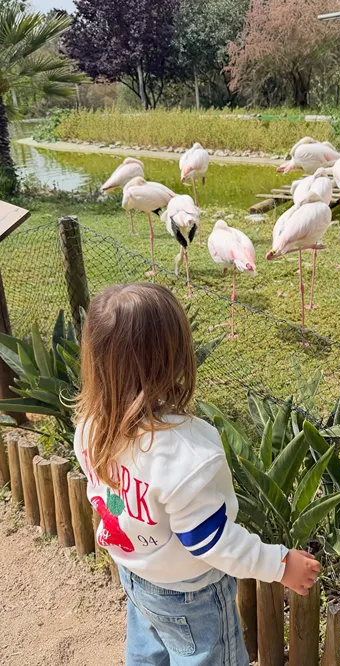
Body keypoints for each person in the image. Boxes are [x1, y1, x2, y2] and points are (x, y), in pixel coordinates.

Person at [74, 283, 320, 666]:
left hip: (136, 576)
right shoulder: (186, 453)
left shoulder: (90, 426)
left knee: (146, 654)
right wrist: (280, 564)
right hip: (191, 597)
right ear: (173, 357)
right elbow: (210, 541)